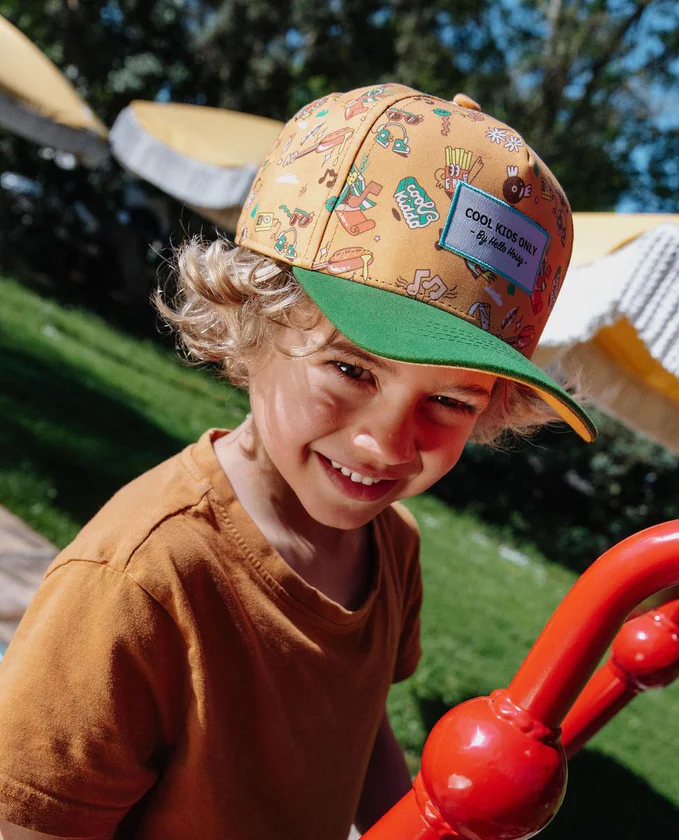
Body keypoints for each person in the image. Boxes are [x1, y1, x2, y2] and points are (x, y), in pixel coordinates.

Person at [0, 83, 596, 840]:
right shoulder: (141, 581)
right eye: (350, 370)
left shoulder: (392, 550)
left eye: (449, 401)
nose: (388, 444)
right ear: (250, 321)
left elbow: (360, 726)